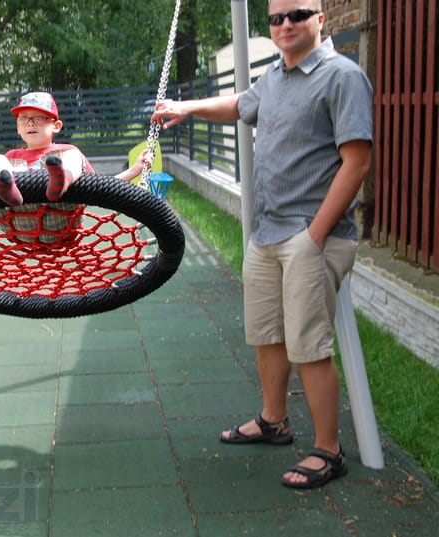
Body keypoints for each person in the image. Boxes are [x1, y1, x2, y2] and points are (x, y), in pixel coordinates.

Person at [151, 0, 373, 489]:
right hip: (268, 232)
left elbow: (357, 162)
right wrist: (186, 108)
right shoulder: (274, 76)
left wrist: (314, 235)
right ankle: (275, 421)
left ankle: (329, 450)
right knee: (267, 334)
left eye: (297, 14)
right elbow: (239, 104)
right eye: (276, 18)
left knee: (309, 346)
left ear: (320, 18)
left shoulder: (342, 77)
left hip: (311, 235)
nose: (286, 24)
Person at [0, 91, 151, 243]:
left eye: (39, 118)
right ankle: (7, 190)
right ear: (17, 127)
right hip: (18, 220)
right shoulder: (11, 157)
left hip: (60, 217)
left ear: (56, 126)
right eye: (23, 119)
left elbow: (100, 188)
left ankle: (62, 181)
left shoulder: (65, 151)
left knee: (71, 155)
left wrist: (135, 170)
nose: (30, 123)